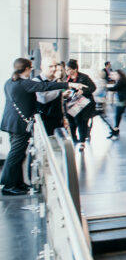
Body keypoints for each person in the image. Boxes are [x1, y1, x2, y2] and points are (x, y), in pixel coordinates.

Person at [2, 58, 80, 195]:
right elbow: (45, 87)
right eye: (30, 68)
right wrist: (68, 85)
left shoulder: (10, 82)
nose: (31, 70)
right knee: (16, 155)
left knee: (19, 154)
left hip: (11, 123)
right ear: (26, 68)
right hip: (20, 124)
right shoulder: (24, 83)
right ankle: (8, 185)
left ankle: (17, 183)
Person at [65, 59, 97, 151]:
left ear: (74, 69)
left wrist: (83, 91)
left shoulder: (84, 77)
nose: (67, 72)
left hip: (82, 102)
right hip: (71, 102)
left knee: (82, 121)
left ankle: (82, 141)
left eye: (68, 69)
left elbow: (93, 87)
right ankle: (74, 139)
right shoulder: (67, 79)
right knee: (72, 121)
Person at [34, 58, 67, 136]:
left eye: (55, 66)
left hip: (58, 119)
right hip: (44, 120)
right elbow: (43, 99)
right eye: (50, 66)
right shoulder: (36, 81)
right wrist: (58, 88)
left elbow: (61, 103)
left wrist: (64, 117)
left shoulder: (56, 81)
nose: (54, 69)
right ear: (42, 67)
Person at [106, 69, 126, 138]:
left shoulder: (121, 81)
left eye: (114, 75)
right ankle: (116, 128)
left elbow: (115, 88)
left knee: (118, 114)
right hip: (124, 99)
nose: (113, 76)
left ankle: (116, 129)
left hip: (124, 100)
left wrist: (105, 88)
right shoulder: (122, 80)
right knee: (119, 114)